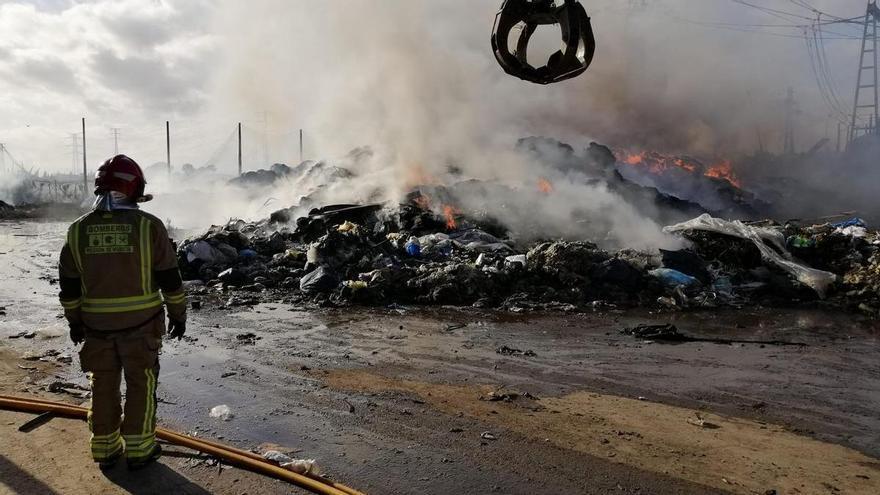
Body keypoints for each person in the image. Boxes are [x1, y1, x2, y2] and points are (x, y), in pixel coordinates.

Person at [58, 155, 187, 470]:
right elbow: (170, 279)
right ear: (134, 187)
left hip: (95, 328)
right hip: (141, 327)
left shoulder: (77, 230)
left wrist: (75, 323)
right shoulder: (149, 226)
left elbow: (69, 287)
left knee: (102, 384)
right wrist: (178, 315)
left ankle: (104, 448)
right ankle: (140, 450)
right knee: (141, 384)